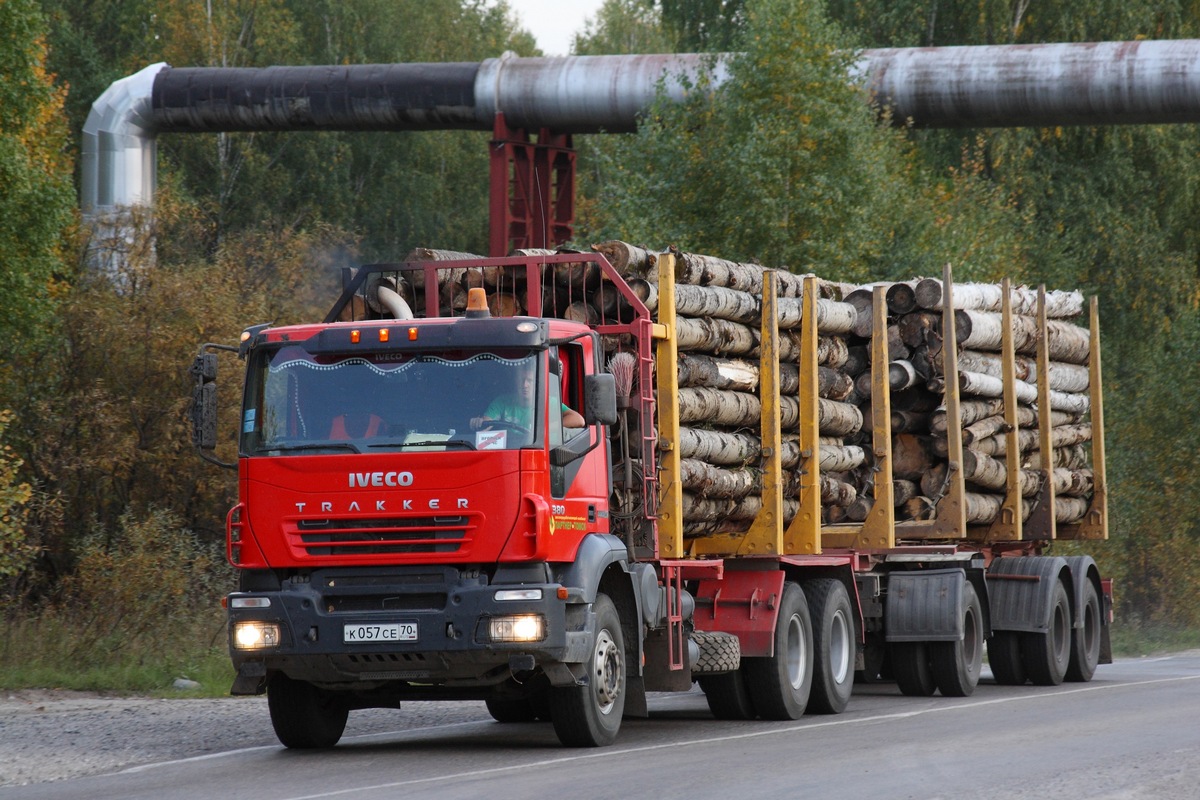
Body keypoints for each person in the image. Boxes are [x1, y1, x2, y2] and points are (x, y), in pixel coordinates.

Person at [470, 372, 584, 432]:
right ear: (516, 382)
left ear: (536, 383)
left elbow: (579, 420)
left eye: (529, 380)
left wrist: (545, 428)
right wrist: (479, 423)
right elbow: (487, 424)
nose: (525, 385)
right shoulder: (502, 402)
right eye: (522, 380)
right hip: (508, 453)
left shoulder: (548, 402)